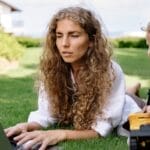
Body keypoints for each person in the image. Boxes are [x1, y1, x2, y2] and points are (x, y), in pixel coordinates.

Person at [5, 7, 145, 150]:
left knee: (131, 101)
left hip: (124, 106)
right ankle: (131, 90)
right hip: (115, 96)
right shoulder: (53, 69)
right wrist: (27, 126)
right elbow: (46, 114)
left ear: (91, 40)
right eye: (59, 35)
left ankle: (132, 91)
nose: (64, 44)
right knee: (126, 94)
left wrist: (61, 134)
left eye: (74, 35)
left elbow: (101, 130)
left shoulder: (109, 71)